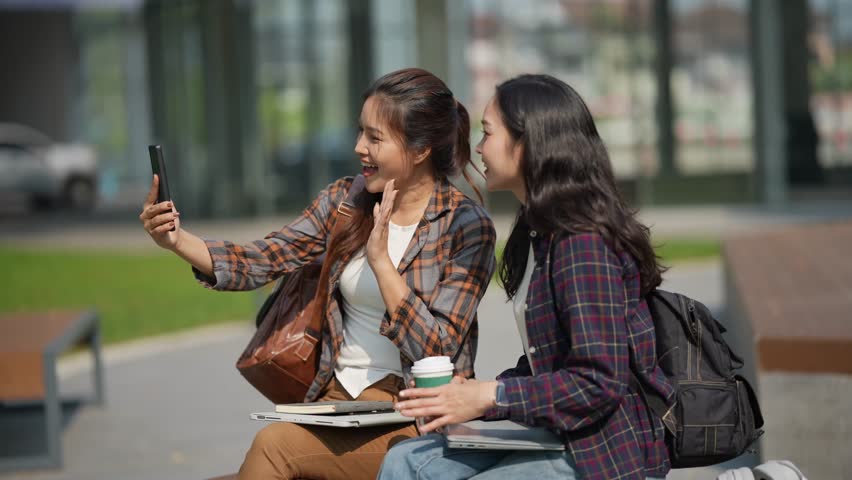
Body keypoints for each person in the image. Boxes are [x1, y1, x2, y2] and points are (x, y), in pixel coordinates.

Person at [138, 67, 496, 480]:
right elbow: (266, 257)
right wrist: (177, 241)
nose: (360, 147)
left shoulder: (465, 226)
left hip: (411, 419)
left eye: (375, 138)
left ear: (420, 150)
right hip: (334, 402)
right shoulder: (347, 201)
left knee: (273, 449)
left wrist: (382, 264)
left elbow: (439, 351)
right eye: (360, 132)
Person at [379, 74, 675, 480]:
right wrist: (469, 393)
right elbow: (551, 359)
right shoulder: (540, 231)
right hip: (557, 433)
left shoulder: (582, 243)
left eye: (487, 133)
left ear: (528, 143)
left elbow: (599, 380)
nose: (478, 149)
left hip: (601, 453)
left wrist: (491, 396)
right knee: (405, 460)